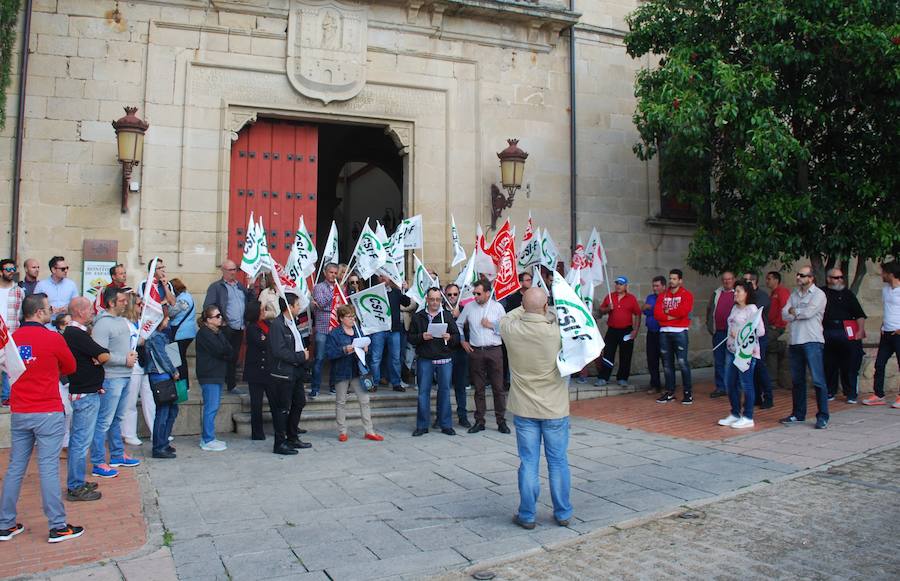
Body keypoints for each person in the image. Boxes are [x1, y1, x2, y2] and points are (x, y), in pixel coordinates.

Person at [0, 293, 83, 543]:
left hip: (21, 410)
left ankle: (5, 523)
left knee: (16, 467)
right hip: (47, 409)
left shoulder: (12, 340)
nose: (51, 312)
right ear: (38, 313)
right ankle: (57, 525)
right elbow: (70, 367)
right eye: (47, 309)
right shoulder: (52, 337)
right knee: (48, 467)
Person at [500, 287, 573, 529]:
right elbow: (559, 316)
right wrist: (545, 308)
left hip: (525, 408)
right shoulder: (556, 331)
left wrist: (526, 305)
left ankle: (528, 514)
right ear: (545, 306)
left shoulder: (512, 329)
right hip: (554, 407)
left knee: (529, 463)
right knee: (558, 461)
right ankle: (562, 512)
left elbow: (507, 316)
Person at [90, 286, 140, 479]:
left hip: (124, 375)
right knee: (104, 421)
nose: (126, 303)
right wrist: (123, 360)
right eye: (122, 300)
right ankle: (98, 461)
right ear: (111, 302)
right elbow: (99, 354)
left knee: (117, 419)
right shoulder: (103, 324)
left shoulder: (122, 321)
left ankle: (117, 455)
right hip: (111, 377)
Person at [63, 297, 109, 501]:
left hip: (86, 391)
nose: (93, 312)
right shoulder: (76, 333)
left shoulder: (76, 333)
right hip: (85, 393)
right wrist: (99, 358)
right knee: (81, 442)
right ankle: (75, 485)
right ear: (80, 312)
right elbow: (102, 354)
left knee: (80, 440)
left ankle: (77, 480)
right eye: (90, 309)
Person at [780, 266, 829, 429]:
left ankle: (823, 416)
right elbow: (784, 314)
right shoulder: (794, 294)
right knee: (797, 380)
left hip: (812, 340)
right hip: (795, 341)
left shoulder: (819, 294)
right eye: (798, 275)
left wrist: (795, 311)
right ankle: (798, 413)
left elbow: (808, 313)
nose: (798, 277)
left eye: (802, 275)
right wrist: (795, 312)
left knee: (818, 380)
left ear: (811, 278)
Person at [457, 279, 509, 434]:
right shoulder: (469, 307)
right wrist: (462, 341)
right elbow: (459, 324)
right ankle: (480, 421)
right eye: (474, 293)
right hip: (476, 351)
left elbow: (507, 327)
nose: (476, 296)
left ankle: (501, 421)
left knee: (498, 388)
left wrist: (492, 325)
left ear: (487, 293)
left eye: (478, 293)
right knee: (478, 388)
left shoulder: (498, 307)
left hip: (494, 349)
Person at [326, 304, 384, 442]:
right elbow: (329, 354)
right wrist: (345, 350)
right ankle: (342, 431)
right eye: (349, 317)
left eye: (353, 317)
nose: (352, 319)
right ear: (341, 318)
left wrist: (365, 348)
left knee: (365, 400)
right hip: (341, 371)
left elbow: (365, 346)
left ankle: (369, 431)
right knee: (341, 402)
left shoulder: (358, 331)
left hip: (358, 370)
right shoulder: (334, 333)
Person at [409, 287, 460, 436]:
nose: (435, 302)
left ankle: (445, 424)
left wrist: (449, 337)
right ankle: (422, 425)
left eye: (438, 299)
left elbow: (457, 336)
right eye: (432, 299)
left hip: (444, 359)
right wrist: (421, 337)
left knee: (444, 392)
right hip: (425, 359)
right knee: (423, 393)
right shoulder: (418, 317)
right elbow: (410, 337)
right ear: (427, 299)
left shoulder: (447, 316)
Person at [267, 293, 312, 455]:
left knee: (299, 402)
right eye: (297, 305)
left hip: (296, 371)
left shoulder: (293, 322)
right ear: (289, 306)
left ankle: (292, 437)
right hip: (283, 373)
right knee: (282, 408)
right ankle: (280, 443)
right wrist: (301, 356)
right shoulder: (277, 325)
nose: (299, 307)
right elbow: (279, 351)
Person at [717, 281, 764, 429]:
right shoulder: (734, 308)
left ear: (746, 294)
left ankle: (748, 416)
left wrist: (742, 332)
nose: (735, 294)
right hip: (731, 350)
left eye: (738, 291)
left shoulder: (752, 309)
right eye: (735, 291)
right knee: (729, 383)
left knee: (746, 383)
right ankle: (735, 413)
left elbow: (760, 330)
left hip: (746, 353)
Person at [203, 260, 250, 394]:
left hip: (239, 327)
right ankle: (222, 382)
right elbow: (208, 306)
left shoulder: (240, 287)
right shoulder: (216, 287)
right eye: (230, 270)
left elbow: (250, 301)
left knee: (234, 355)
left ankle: (231, 384)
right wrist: (221, 321)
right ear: (223, 270)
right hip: (225, 327)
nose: (233, 272)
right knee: (224, 355)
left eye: (234, 269)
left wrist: (251, 287)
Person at [822, 268, 866, 403]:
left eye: (841, 277)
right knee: (829, 363)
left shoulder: (848, 294)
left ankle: (851, 393)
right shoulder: (821, 293)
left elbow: (859, 314)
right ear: (829, 279)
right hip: (827, 330)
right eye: (836, 278)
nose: (840, 280)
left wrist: (860, 330)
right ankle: (830, 391)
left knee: (850, 363)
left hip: (846, 330)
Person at [862, 260, 900, 407]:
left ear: (891, 274)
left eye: (884, 272)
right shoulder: (885, 290)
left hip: (898, 333)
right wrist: (883, 326)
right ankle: (878, 394)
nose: (881, 275)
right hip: (886, 333)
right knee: (880, 363)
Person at [195, 305, 232, 451]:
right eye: (216, 316)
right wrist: (224, 352)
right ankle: (207, 439)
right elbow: (219, 350)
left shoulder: (218, 332)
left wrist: (225, 352)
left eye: (220, 315)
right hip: (209, 374)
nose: (220, 318)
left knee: (214, 406)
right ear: (208, 320)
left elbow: (229, 349)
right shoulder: (204, 334)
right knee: (210, 407)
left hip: (217, 373)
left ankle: (210, 436)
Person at [655, 269, 695, 404]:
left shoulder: (686, 295)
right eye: (670, 278)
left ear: (680, 281)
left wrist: (668, 313)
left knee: (683, 363)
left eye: (674, 279)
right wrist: (672, 316)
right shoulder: (662, 295)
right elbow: (657, 314)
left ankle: (688, 393)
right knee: (667, 364)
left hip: (680, 332)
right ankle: (670, 392)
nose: (671, 281)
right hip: (664, 332)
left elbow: (684, 311)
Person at [594, 276, 642, 387]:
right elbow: (601, 310)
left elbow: (638, 314)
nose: (618, 286)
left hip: (626, 330)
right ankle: (603, 378)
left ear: (626, 286)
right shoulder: (610, 297)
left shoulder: (631, 298)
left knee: (626, 355)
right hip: (612, 330)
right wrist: (607, 309)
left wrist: (635, 330)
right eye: (617, 283)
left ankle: (622, 378)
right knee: (608, 353)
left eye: (621, 284)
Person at [143, 317, 180, 459]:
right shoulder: (155, 336)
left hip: (166, 375)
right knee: (163, 411)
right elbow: (162, 357)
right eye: (165, 317)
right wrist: (173, 370)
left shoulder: (164, 334)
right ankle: (159, 447)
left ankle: (163, 443)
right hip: (160, 376)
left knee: (171, 410)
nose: (168, 320)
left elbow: (171, 353)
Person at [121, 293, 154, 447]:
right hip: (132, 366)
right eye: (139, 304)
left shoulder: (140, 322)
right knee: (131, 401)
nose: (141, 307)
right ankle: (129, 433)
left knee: (150, 398)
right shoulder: (124, 323)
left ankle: (156, 431)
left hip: (143, 364)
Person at [369, 274, 411, 393]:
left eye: (385, 276)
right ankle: (374, 383)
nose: (383, 279)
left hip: (394, 330)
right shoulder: (373, 292)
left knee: (395, 358)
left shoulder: (397, 292)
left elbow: (407, 302)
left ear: (390, 278)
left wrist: (405, 289)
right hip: (378, 330)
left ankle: (396, 383)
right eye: (381, 276)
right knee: (376, 358)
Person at [743, 273, 775, 408]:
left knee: (760, 366)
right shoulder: (747, 296)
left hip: (759, 336)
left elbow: (756, 313)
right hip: (748, 337)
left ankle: (768, 397)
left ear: (753, 281)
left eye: (746, 281)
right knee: (752, 368)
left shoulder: (761, 296)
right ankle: (756, 397)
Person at [310, 263, 339, 398]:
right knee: (319, 359)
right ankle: (315, 388)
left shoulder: (341, 287)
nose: (333, 275)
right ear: (325, 273)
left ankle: (333, 386)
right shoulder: (319, 287)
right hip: (322, 327)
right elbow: (321, 303)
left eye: (335, 273)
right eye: (331, 272)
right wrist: (334, 293)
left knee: (335, 359)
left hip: (335, 328)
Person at [706, 271, 736, 398]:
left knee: (732, 361)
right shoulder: (717, 293)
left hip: (733, 333)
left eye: (729, 279)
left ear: (733, 280)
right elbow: (709, 309)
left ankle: (733, 387)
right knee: (719, 360)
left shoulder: (738, 293)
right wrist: (709, 324)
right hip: (718, 331)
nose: (726, 281)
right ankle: (720, 387)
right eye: (724, 279)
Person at [445, 283, 471, 427]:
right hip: (445, 352)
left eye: (455, 294)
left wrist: (460, 317)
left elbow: (471, 329)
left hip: (460, 353)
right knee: (444, 387)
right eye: (449, 294)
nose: (453, 297)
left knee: (460, 387)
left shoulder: (464, 310)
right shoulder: (440, 310)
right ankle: (443, 416)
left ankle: (463, 416)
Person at [243, 300, 270, 441]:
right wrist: (267, 340)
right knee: (256, 403)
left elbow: (271, 340)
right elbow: (262, 343)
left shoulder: (267, 324)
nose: (265, 311)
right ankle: (257, 432)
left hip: (268, 370)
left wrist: (267, 339)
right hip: (255, 371)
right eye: (262, 309)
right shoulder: (252, 328)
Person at [0, 258, 24, 406]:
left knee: (8, 365)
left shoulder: (19, 291)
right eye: (8, 269)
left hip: (12, 333)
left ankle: (6, 398)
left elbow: (21, 314)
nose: (11, 272)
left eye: (13, 269)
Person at [168, 278, 197, 389]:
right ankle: (184, 385)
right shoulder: (187, 296)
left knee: (177, 359)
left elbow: (171, 312)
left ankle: (182, 386)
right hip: (186, 333)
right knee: (180, 358)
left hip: (180, 333)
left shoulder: (183, 299)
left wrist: (166, 304)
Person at [642, 275, 666, 393]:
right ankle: (655, 385)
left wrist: (652, 309)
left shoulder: (667, 297)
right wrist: (649, 308)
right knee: (652, 359)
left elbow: (662, 311)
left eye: (657, 286)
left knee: (666, 359)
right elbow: (644, 310)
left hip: (663, 333)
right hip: (651, 332)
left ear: (663, 286)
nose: (655, 288)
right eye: (653, 286)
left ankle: (668, 385)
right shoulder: (650, 297)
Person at [765, 270, 791, 381]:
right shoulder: (773, 293)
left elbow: (785, 308)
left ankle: (781, 345)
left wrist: (779, 324)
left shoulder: (781, 291)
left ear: (776, 279)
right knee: (770, 350)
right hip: (771, 326)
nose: (767, 281)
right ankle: (772, 378)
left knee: (768, 343)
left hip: (777, 327)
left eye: (769, 279)